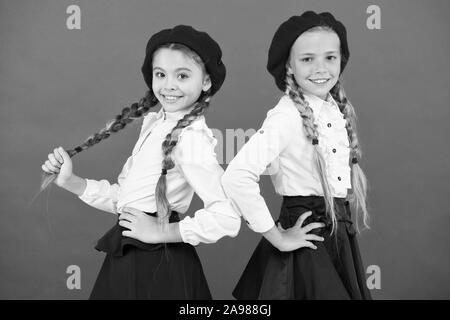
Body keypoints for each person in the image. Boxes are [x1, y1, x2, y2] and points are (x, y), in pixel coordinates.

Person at [41, 25, 240, 299]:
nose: (169, 85)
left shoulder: (192, 138)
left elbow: (226, 217)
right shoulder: (155, 125)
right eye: (160, 74)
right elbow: (128, 200)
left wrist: (162, 231)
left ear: (206, 82)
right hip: (129, 256)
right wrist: (72, 182)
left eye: (182, 75)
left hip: (158, 265)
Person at [222, 11, 372, 299]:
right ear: (289, 66)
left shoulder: (333, 108)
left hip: (336, 235)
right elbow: (236, 176)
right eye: (307, 59)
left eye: (330, 57)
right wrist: (276, 236)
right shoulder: (286, 115)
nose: (321, 68)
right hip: (308, 235)